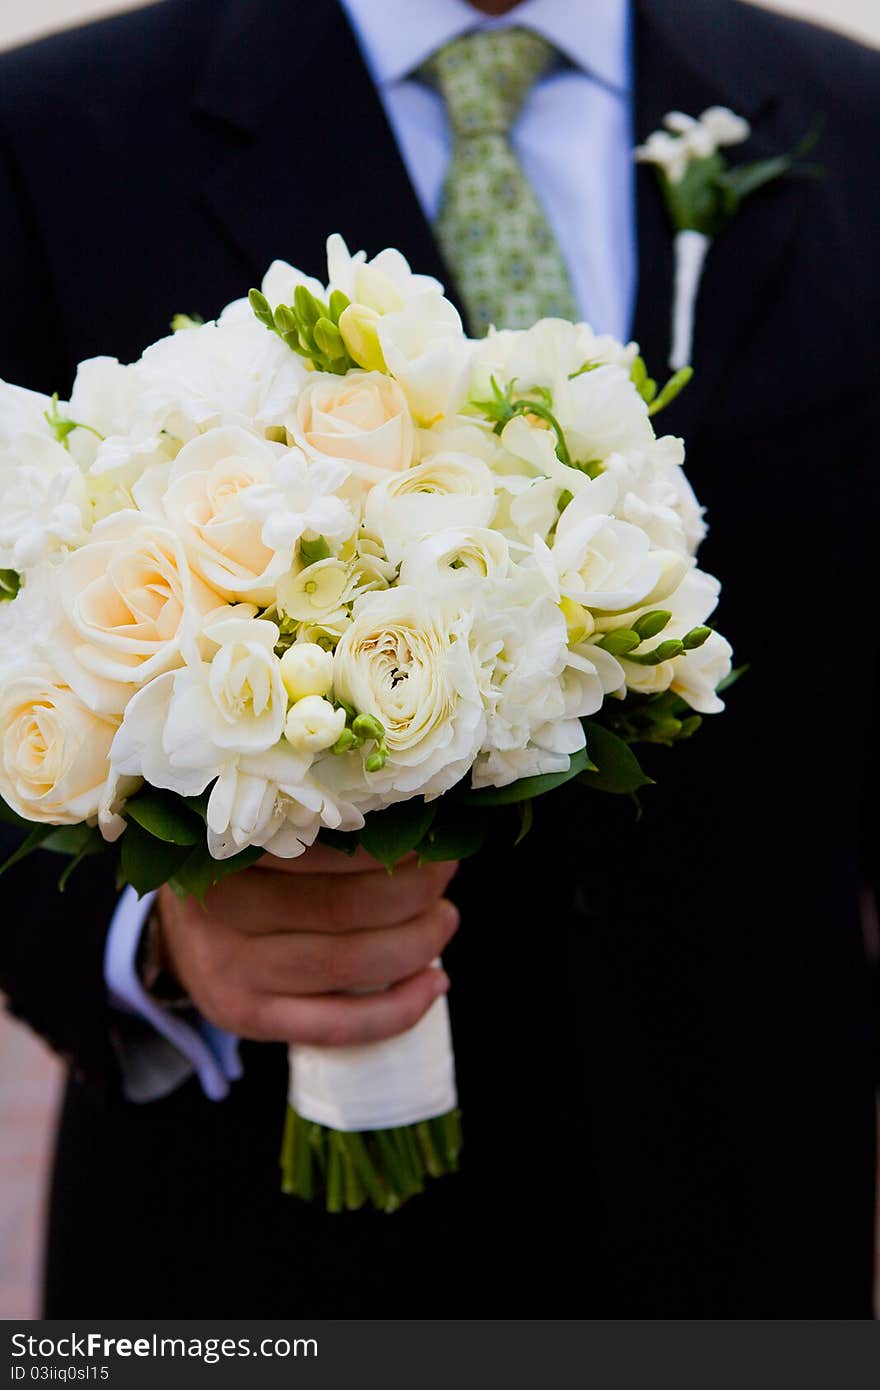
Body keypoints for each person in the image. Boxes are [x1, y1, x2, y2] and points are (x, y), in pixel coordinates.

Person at [0, 0, 877, 1316]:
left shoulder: (845, 116)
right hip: (255, 1260)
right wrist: (155, 935)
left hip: (745, 1225)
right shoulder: (49, 132)